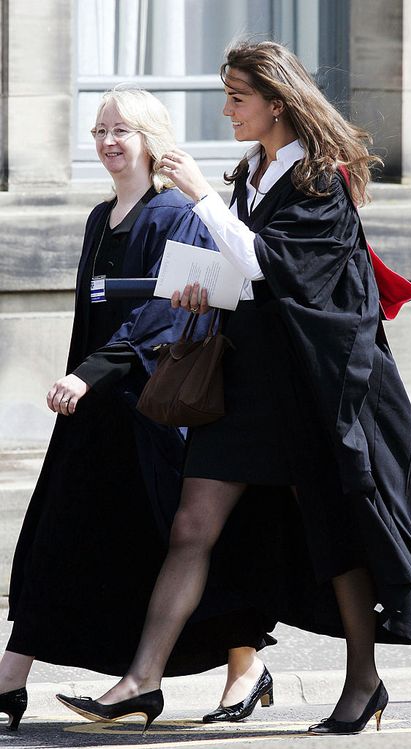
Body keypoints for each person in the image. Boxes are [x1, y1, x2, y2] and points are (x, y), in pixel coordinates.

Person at [57, 42, 411, 736]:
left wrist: (200, 194)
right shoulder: (252, 173)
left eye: (237, 98)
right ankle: (139, 681)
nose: (226, 109)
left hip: (311, 388)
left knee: (331, 532)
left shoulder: (321, 180)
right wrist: (202, 288)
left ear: (276, 104)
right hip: (246, 380)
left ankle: (362, 680)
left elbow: (276, 266)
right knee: (191, 525)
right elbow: (243, 270)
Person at [0, 87, 276, 733]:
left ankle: (244, 662)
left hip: (149, 409)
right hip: (94, 412)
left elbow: (157, 318)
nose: (106, 142)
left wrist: (88, 374)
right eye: (98, 130)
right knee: (55, 537)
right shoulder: (102, 218)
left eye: (120, 129)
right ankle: (12, 677)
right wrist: (82, 382)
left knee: (172, 542)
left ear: (151, 137)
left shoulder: (174, 213)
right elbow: (91, 315)